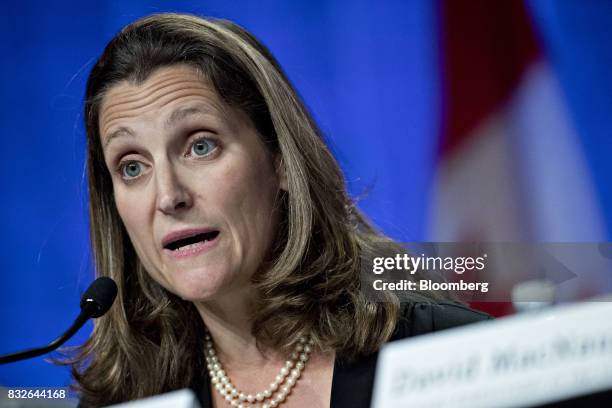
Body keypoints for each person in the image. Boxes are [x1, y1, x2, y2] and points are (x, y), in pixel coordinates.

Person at [70, 13, 490, 408]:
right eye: (132, 167)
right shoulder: (124, 400)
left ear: (281, 162)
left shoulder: (446, 354)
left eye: (201, 146)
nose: (168, 196)